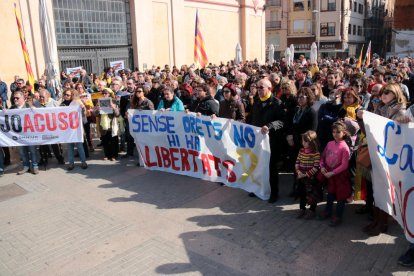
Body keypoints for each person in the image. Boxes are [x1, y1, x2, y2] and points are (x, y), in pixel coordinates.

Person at [249, 78, 285, 203]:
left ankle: (273, 193)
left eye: (261, 88)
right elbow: (252, 119)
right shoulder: (257, 102)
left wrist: (270, 126)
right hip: (257, 141)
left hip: (271, 142)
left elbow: (282, 121)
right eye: (257, 87)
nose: (258, 90)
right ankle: (257, 188)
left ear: (270, 89)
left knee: (271, 168)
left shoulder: (277, 103)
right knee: (257, 165)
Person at [319, 121, 352, 226]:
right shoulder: (329, 144)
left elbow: (344, 165)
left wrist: (333, 172)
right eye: (333, 132)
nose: (335, 134)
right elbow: (323, 157)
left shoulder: (345, 147)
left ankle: (338, 216)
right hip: (329, 174)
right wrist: (322, 167)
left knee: (341, 196)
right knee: (330, 194)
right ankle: (328, 211)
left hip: (340, 176)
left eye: (338, 132)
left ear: (344, 133)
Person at [11, 91, 39, 175]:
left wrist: (35, 110)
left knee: (32, 150)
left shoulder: (28, 106)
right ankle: (26, 166)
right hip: (19, 135)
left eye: (17, 98)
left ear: (23, 98)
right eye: (14, 98)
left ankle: (35, 166)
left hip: (30, 134)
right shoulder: (12, 108)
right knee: (22, 152)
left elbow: (39, 115)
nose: (15, 99)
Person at [295, 130, 321, 219]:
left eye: (306, 141)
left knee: (312, 194)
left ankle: (312, 210)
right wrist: (298, 171)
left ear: (312, 142)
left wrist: (306, 174)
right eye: (302, 141)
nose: (303, 143)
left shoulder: (316, 153)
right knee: (302, 193)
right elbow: (297, 162)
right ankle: (302, 209)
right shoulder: (301, 150)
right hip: (301, 177)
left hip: (311, 178)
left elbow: (316, 167)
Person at [35, 89, 65, 167]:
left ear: (48, 96)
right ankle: (44, 159)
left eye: (42, 97)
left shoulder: (54, 103)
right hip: (41, 129)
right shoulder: (36, 104)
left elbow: (60, 113)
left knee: (54, 145)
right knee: (42, 146)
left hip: (52, 129)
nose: (41, 98)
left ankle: (60, 158)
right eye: (40, 97)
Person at [60, 89, 88, 170]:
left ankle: (83, 162)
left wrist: (83, 108)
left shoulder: (77, 102)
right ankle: (71, 163)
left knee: (79, 146)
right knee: (70, 147)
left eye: (68, 95)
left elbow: (83, 114)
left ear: (72, 95)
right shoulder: (62, 105)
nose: (66, 96)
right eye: (65, 94)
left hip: (76, 128)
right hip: (67, 129)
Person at [95, 89, 121, 161]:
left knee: (113, 141)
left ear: (109, 94)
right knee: (105, 141)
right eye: (103, 93)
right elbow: (95, 114)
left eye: (106, 93)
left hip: (112, 124)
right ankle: (107, 155)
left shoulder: (114, 102)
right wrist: (97, 109)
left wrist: (114, 108)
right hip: (103, 125)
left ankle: (114, 155)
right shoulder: (98, 102)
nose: (104, 95)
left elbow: (118, 114)